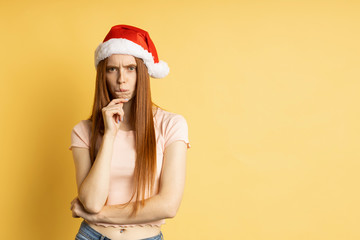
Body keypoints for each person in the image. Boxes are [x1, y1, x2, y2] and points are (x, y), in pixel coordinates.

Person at [69, 24, 191, 240]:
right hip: (92, 235)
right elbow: (92, 202)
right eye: (112, 69)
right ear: (103, 74)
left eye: (130, 68)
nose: (121, 79)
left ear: (142, 72)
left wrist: (100, 214)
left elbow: (168, 206)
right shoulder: (83, 131)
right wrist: (109, 135)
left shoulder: (172, 125)